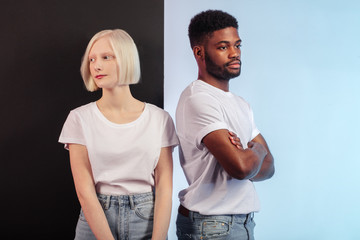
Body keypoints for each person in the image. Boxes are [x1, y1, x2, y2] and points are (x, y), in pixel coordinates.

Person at [59, 29, 178, 240]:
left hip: (147, 218)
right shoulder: (79, 119)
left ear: (126, 59)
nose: (96, 65)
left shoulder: (160, 119)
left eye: (106, 57)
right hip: (95, 219)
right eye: (92, 59)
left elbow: (165, 188)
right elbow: (85, 193)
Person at [175, 10, 275, 240]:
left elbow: (269, 168)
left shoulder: (241, 104)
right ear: (199, 52)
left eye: (237, 45)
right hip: (212, 225)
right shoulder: (198, 98)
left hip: (240, 223)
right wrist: (256, 150)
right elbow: (240, 168)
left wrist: (249, 156)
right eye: (223, 47)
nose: (235, 53)